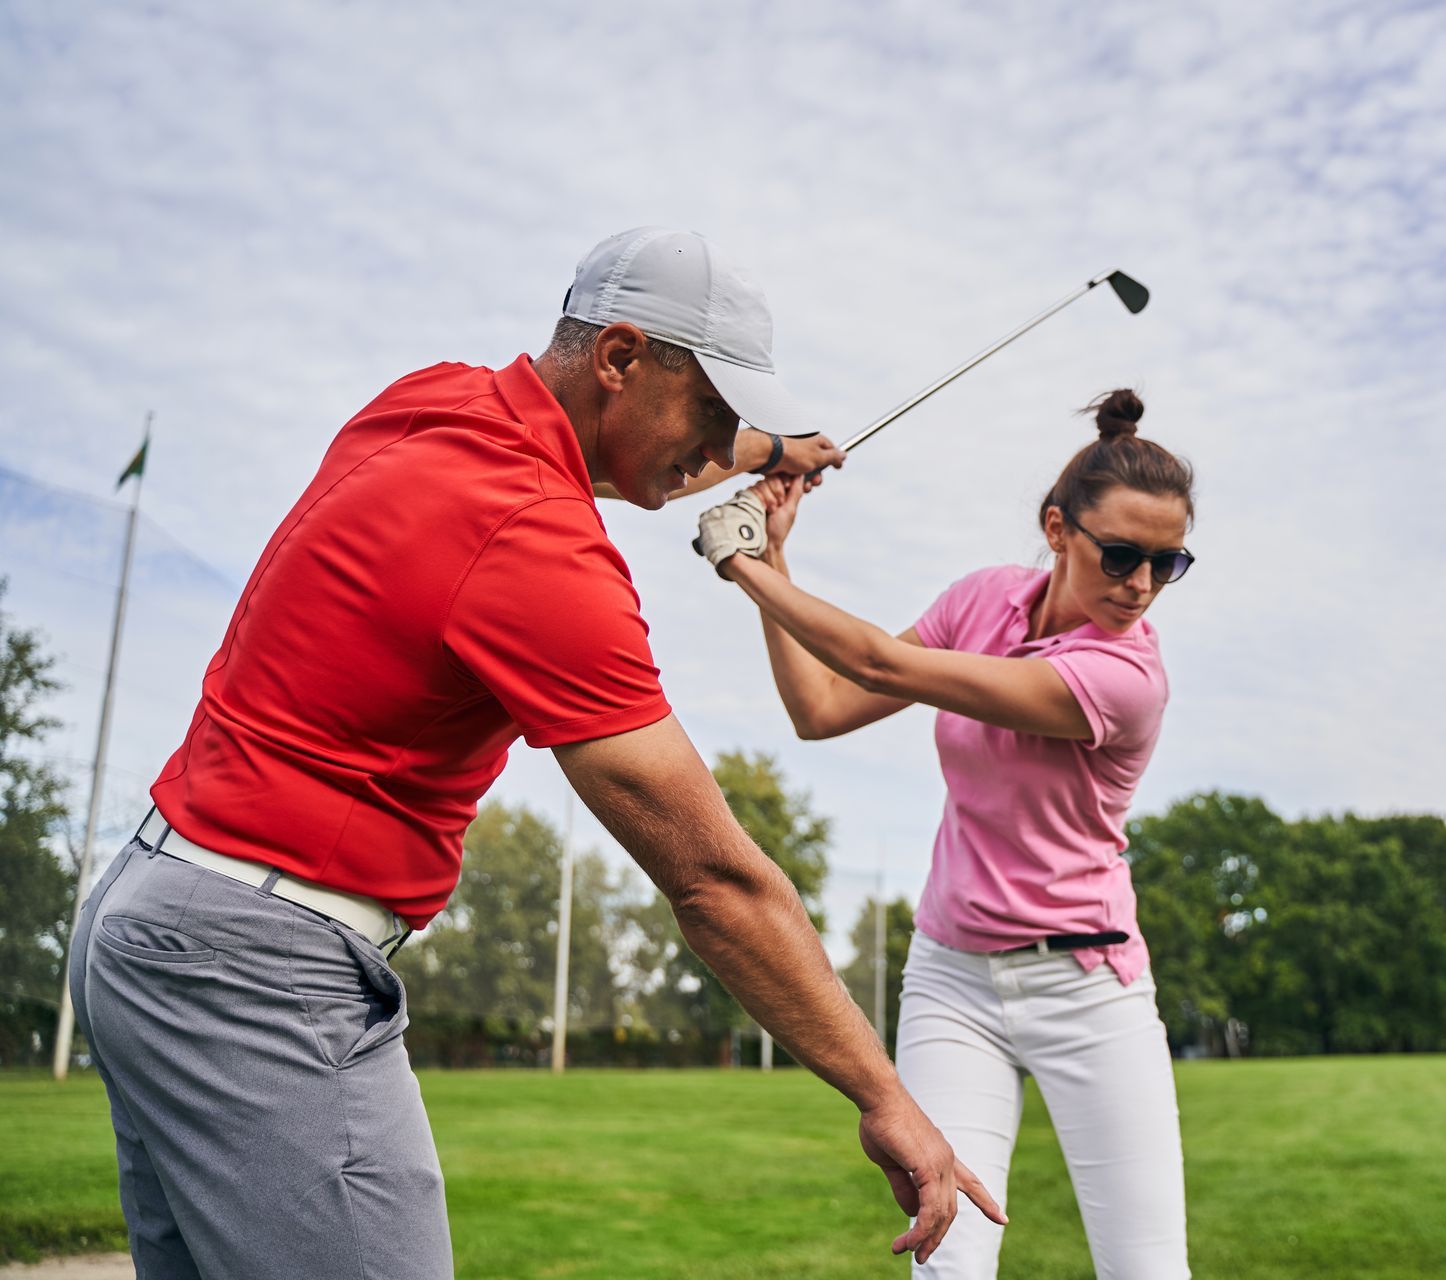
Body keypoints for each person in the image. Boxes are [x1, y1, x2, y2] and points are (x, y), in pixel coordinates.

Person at [67, 226, 1001, 1279]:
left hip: (154, 918)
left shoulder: (433, 401)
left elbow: (640, 448)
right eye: (715, 410)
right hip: (257, 966)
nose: (715, 449)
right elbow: (714, 879)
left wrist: (775, 451)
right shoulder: (539, 544)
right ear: (620, 357)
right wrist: (884, 1092)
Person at [695, 388, 1196, 1278]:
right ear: (1056, 529)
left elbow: (883, 663)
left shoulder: (1125, 678)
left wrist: (743, 568)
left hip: (1088, 989)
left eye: (1168, 564)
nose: (1142, 586)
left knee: (1146, 1270)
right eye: (1121, 556)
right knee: (948, 1265)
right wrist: (772, 560)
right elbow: (823, 706)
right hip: (952, 981)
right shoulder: (985, 601)